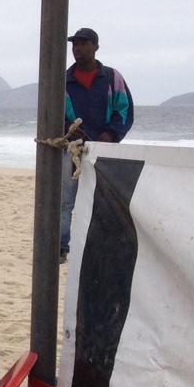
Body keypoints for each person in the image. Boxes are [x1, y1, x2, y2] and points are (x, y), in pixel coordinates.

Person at [60, 27, 134, 260]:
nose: (78, 49)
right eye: (75, 45)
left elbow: (124, 109)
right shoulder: (64, 80)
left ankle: (99, 248)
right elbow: (52, 112)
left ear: (96, 47)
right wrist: (66, 129)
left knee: (102, 201)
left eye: (83, 44)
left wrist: (111, 134)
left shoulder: (112, 78)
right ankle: (62, 247)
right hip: (71, 151)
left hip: (103, 151)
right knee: (65, 202)